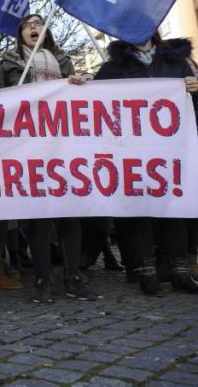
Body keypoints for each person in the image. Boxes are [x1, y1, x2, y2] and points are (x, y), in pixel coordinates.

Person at [86, 32, 198, 296]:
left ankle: (179, 271)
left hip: (172, 148)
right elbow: (91, 102)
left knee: (174, 209)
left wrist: (195, 88)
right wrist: (81, 83)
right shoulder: (112, 68)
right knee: (139, 210)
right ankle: (146, 272)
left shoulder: (176, 61)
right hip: (130, 151)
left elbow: (192, 105)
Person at [0, 12, 89, 303]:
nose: (34, 27)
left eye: (38, 23)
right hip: (29, 145)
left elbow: (82, 98)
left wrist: (78, 83)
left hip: (64, 143)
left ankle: (73, 278)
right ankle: (42, 280)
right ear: (20, 33)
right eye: (27, 25)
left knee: (70, 214)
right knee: (40, 217)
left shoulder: (62, 61)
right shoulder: (9, 64)